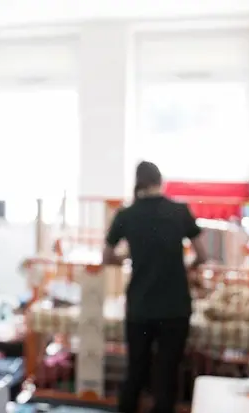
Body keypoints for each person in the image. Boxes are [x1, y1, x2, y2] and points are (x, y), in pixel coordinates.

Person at [103, 161, 207, 413]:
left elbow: (107, 256)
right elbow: (203, 254)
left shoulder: (126, 215)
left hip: (140, 307)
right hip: (175, 307)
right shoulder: (179, 211)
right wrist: (188, 265)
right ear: (160, 181)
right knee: (167, 374)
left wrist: (127, 258)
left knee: (136, 371)